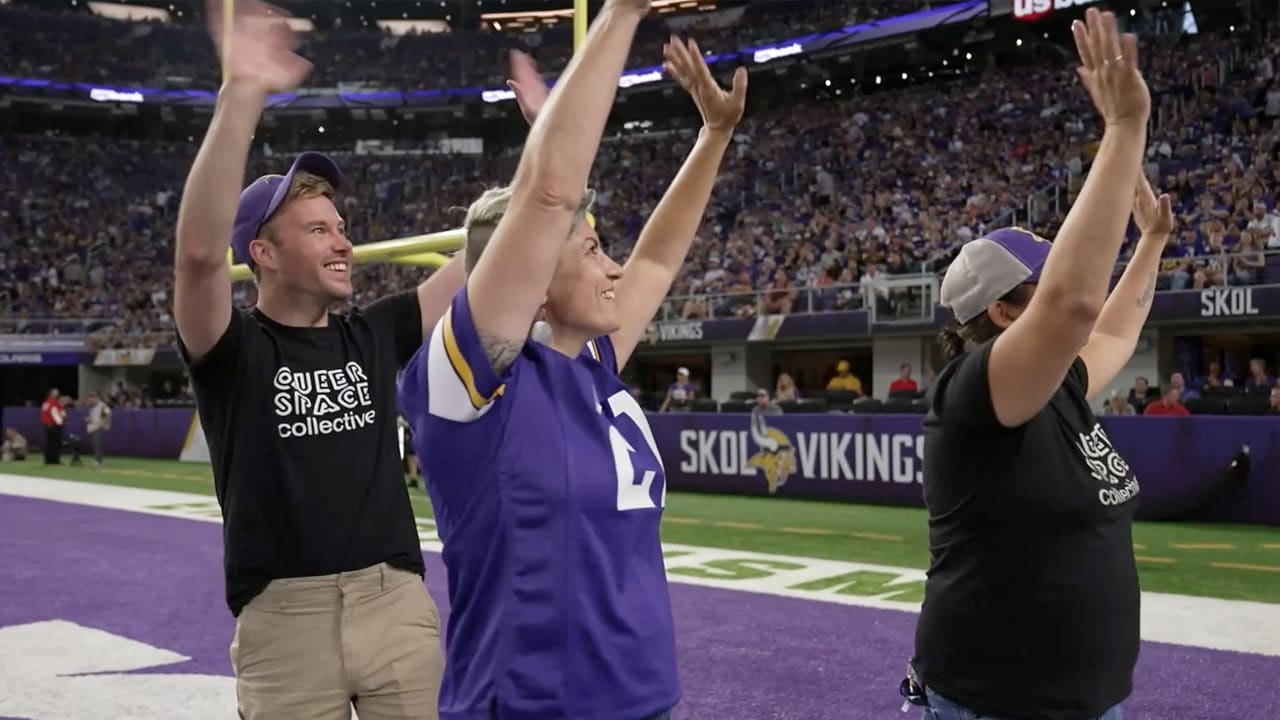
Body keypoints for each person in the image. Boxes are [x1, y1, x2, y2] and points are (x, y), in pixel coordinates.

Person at [397, 7, 747, 717]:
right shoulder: (471, 387)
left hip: (645, 698)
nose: (613, 268)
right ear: (526, 278)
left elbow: (655, 257)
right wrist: (621, 12)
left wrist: (714, 137)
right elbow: (548, 193)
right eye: (590, 251)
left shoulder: (591, 359)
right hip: (533, 705)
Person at [171, 1, 464, 718]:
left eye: (342, 226)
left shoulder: (374, 331)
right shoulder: (231, 350)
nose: (343, 242)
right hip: (285, 624)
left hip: (394, 601)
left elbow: (488, 259)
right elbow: (200, 257)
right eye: (316, 229)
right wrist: (243, 93)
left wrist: (546, 148)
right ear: (263, 254)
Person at [904, 10, 1170, 720]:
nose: (1062, 286)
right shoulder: (976, 393)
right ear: (1000, 312)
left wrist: (1151, 243)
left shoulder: (1055, 386)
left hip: (1077, 700)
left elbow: (1111, 329)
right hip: (1003, 702)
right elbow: (1078, 306)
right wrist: (1122, 130)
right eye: (1040, 285)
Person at [85, 391, 112, 467]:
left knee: (97, 445)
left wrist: (105, 424)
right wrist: (89, 419)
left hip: (98, 427)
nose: (90, 401)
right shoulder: (93, 407)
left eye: (91, 399)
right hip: (93, 428)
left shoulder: (102, 406)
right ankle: (99, 460)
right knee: (95, 445)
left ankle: (98, 461)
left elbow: (108, 414)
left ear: (96, 398)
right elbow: (95, 417)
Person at [40, 388, 65, 465]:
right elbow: (55, 414)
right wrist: (60, 422)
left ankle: (48, 459)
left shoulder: (46, 402)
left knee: (49, 443)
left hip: (47, 425)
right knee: (55, 443)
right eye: (55, 394)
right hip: (53, 425)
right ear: (52, 394)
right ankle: (55, 460)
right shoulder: (53, 403)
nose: (56, 395)